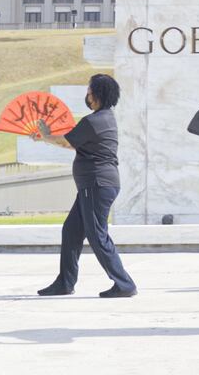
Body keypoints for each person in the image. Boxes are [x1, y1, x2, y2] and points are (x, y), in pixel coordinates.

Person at [38, 73, 137, 299]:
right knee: (71, 231)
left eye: (89, 91)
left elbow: (66, 141)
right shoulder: (103, 119)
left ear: (98, 94)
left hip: (96, 184)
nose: (87, 95)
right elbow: (73, 145)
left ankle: (124, 284)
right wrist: (47, 137)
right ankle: (64, 282)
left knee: (97, 235)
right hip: (94, 185)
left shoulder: (94, 121)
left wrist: (45, 135)